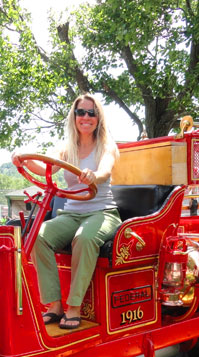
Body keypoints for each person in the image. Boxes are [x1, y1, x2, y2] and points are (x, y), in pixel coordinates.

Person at [12, 94, 121, 329]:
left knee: (85, 238)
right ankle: (54, 305)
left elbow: (104, 170)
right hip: (72, 212)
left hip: (101, 212)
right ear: (74, 116)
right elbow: (44, 167)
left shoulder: (106, 146)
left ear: (98, 118)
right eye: (81, 112)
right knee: (38, 236)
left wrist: (94, 175)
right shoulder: (67, 147)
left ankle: (74, 307)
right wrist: (23, 160)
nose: (86, 117)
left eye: (91, 113)